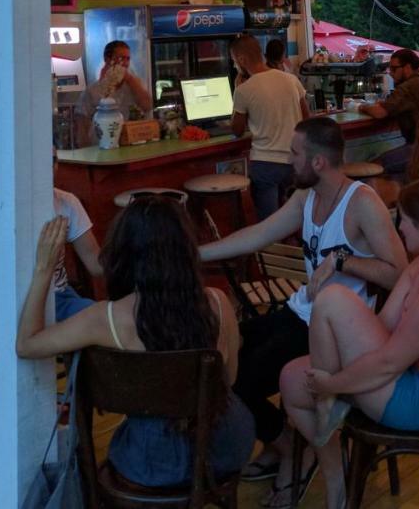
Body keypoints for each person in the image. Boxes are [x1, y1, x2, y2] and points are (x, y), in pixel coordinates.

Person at [199, 117, 406, 507]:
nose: (288, 161)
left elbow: (399, 273)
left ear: (317, 163)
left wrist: (343, 261)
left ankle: (293, 451)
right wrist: (198, 253)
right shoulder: (305, 198)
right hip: (301, 312)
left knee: (241, 382)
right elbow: (259, 235)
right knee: (224, 362)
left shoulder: (362, 204)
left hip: (338, 330)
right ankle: (284, 443)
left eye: (294, 154)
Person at [279, 177, 419, 509]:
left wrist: (334, 381)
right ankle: (338, 482)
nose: (399, 226)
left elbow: (390, 362)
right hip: (399, 376)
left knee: (333, 297)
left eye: (404, 219)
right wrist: (340, 361)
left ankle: (330, 400)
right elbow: (383, 326)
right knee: (291, 381)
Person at [16, 196, 255, 488]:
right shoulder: (219, 303)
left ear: (124, 252)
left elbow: (26, 345)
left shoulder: (107, 318)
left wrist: (44, 269)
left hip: (154, 459)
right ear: (186, 249)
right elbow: (228, 380)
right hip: (227, 444)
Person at [0, 151, 101, 321]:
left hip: (59, 297)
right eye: (39, 161)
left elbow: (95, 263)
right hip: (13, 303)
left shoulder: (67, 202)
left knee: (102, 318)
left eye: (52, 160)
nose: (48, 167)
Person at [231, 34, 311, 220]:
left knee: (269, 223)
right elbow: (307, 119)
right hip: (296, 161)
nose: (235, 66)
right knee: (296, 218)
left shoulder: (244, 90)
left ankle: (272, 249)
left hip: (265, 164)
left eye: (234, 61)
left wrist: (237, 89)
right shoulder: (290, 79)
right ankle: (293, 245)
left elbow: (237, 130)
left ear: (242, 60)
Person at [358, 48, 419, 177]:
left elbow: (380, 113)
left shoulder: (408, 86)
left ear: (407, 67)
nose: (390, 73)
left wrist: (360, 107)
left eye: (394, 69)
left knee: (373, 166)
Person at [75, 40, 153, 147]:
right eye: (121, 58)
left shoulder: (134, 86)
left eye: (128, 59)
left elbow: (147, 106)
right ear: (107, 59)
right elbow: (82, 128)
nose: (125, 63)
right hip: (101, 149)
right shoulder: (92, 91)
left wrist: (130, 79)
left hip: (129, 146)